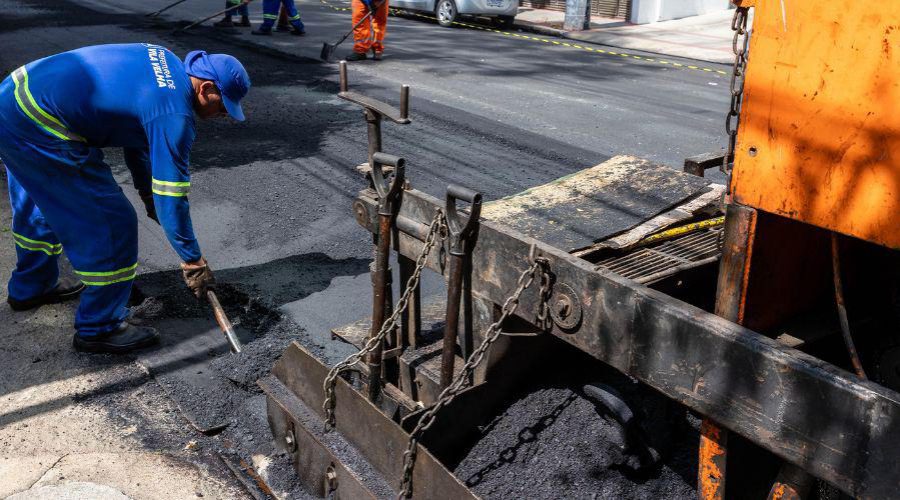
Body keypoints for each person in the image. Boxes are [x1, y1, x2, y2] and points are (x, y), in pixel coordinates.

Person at [0, 44, 250, 354]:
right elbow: (172, 196)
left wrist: (147, 195)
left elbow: (138, 142)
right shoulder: (176, 114)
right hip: (41, 126)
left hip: (13, 101)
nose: (224, 114)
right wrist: (192, 261)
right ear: (207, 87)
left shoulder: (166, 63)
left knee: (41, 202)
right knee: (112, 223)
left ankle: (32, 285)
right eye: (223, 104)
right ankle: (100, 326)